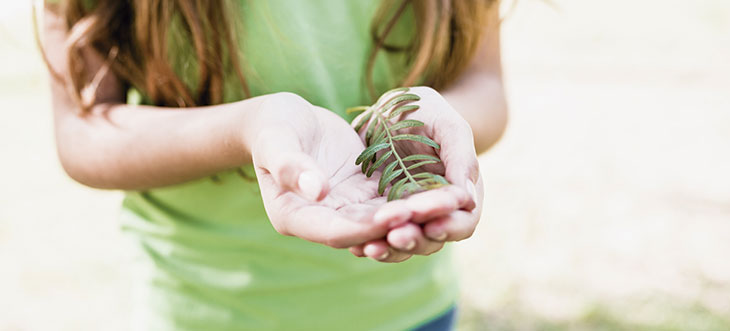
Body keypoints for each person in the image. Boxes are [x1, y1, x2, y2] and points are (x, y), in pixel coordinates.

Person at [38, 0, 508, 330]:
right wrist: (247, 127)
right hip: (201, 310)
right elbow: (82, 131)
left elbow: (485, 84)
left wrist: (435, 116)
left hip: (405, 309)